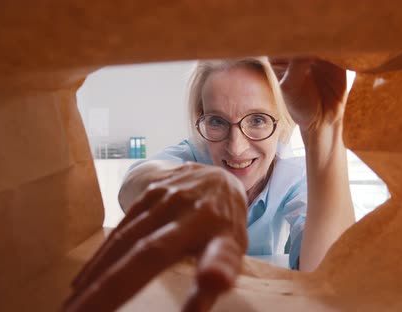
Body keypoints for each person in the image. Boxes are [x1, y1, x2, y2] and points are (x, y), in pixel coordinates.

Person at [65, 57, 356, 312]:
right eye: (217, 121)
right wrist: (195, 184)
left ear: (282, 123)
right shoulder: (192, 155)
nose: (236, 148)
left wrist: (322, 130)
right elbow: (136, 181)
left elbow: (325, 272)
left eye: (256, 120)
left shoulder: (292, 177)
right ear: (199, 122)